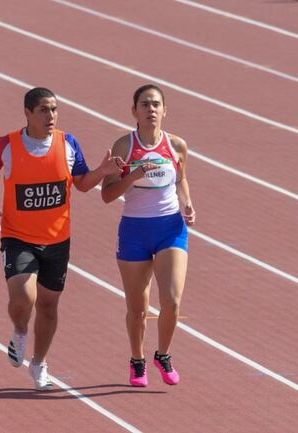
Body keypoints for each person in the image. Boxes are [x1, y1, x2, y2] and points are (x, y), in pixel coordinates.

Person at [0, 87, 124, 390]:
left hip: (57, 239)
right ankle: (20, 330)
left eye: (55, 109)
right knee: (23, 297)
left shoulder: (67, 143)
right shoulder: (7, 145)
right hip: (19, 237)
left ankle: (39, 362)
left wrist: (102, 171)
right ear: (28, 113)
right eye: (44, 110)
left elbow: (82, 184)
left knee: (48, 306)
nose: (51, 116)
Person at [101, 84, 196, 387]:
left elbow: (181, 179)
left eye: (156, 104)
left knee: (172, 300)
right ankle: (137, 360)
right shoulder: (123, 147)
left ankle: (163, 354)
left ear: (164, 110)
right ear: (134, 112)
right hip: (134, 230)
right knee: (137, 308)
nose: (151, 109)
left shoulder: (177, 145)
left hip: (170, 228)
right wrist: (134, 175)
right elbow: (107, 194)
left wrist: (188, 203)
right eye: (144, 104)